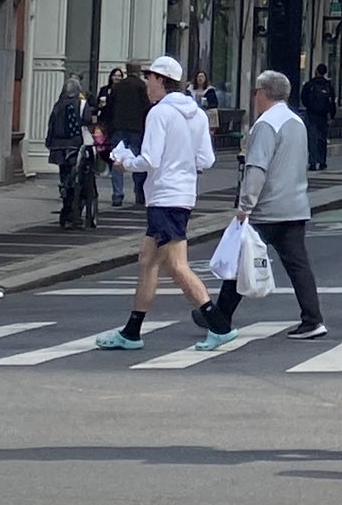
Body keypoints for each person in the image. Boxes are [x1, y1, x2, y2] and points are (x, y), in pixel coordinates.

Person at [196, 70, 328, 345]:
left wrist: (245, 205)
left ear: (263, 93)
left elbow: (257, 168)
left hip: (267, 207)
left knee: (241, 259)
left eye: (256, 92)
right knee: (299, 266)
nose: (255, 97)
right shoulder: (296, 121)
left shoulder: (266, 125)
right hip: (296, 204)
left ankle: (221, 317)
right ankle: (313, 319)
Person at [97, 57, 216, 351]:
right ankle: (132, 330)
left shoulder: (160, 113)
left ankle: (219, 323)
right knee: (148, 260)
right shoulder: (196, 114)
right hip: (183, 193)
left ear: (162, 80)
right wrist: (182, 163)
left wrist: (124, 163)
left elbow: (150, 160)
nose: (147, 85)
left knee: (176, 265)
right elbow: (206, 160)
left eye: (150, 78)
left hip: (164, 196)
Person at [43, 76, 93, 222]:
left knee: (64, 175)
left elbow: (51, 124)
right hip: (76, 145)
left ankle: (66, 201)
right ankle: (74, 209)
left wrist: (49, 143)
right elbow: (88, 121)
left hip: (59, 146)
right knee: (80, 178)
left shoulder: (58, 105)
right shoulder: (82, 104)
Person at [103, 64, 152, 207]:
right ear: (137, 71)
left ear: (127, 70)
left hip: (119, 127)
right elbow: (146, 108)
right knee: (138, 159)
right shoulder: (141, 86)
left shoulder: (118, 87)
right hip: (136, 128)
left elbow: (109, 107)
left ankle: (117, 194)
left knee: (117, 160)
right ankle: (139, 193)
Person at [299, 65, 336, 172]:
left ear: (316, 71)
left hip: (311, 114)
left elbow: (303, 97)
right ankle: (322, 162)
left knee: (312, 138)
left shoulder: (310, 84)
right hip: (323, 116)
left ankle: (312, 162)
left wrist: (309, 107)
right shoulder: (328, 86)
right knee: (322, 139)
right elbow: (332, 102)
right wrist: (332, 115)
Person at [193, 70, 224, 145]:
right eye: (198, 77)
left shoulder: (210, 91)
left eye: (202, 77)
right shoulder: (191, 90)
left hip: (207, 114)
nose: (200, 79)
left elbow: (214, 104)